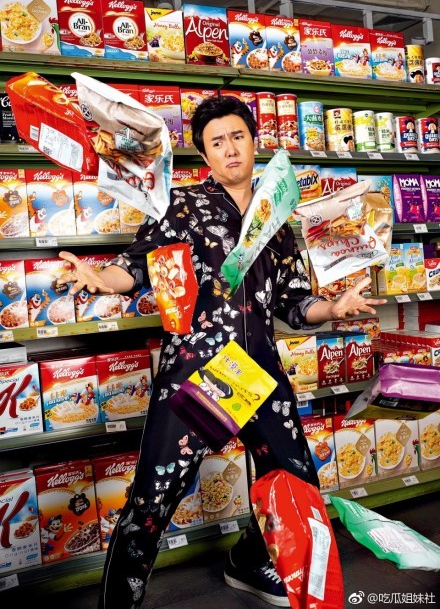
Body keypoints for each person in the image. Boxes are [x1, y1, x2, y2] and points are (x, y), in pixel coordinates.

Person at [57, 96, 386, 608]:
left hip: (260, 375)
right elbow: (136, 267)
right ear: (204, 153)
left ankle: (251, 560)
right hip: (198, 373)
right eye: (217, 141)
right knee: (153, 500)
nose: (230, 149)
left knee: (294, 482)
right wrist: (101, 278)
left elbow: (295, 303)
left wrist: (334, 307)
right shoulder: (181, 207)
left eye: (238, 136)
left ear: (254, 142)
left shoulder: (276, 218)